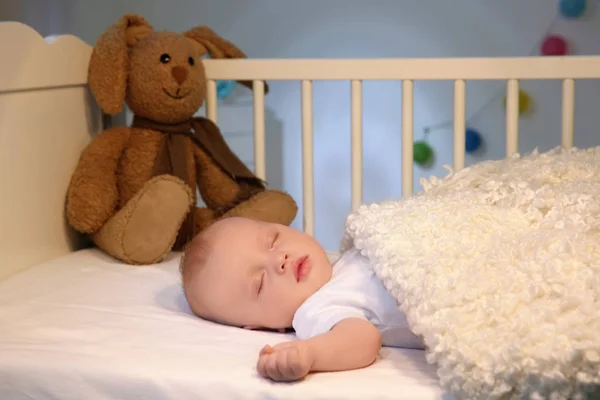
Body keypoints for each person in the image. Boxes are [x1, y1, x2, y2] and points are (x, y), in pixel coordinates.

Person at [180, 217, 423, 382]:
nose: (279, 259)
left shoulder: (350, 256)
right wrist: (309, 353)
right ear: (263, 325)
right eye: (260, 282)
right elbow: (364, 339)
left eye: (273, 241)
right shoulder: (315, 310)